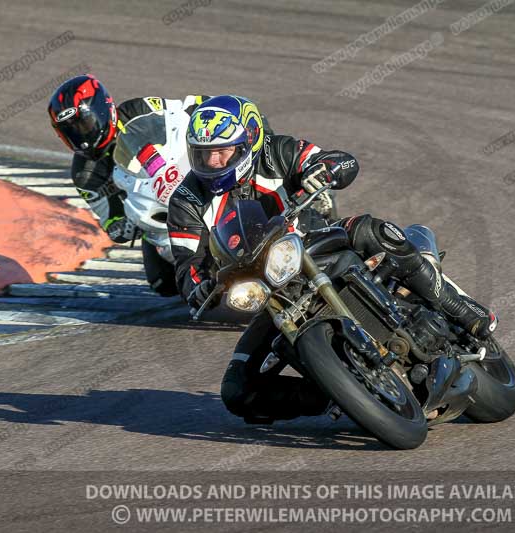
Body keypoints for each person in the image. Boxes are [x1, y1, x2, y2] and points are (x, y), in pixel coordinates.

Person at [166, 94, 497, 423]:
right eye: (204, 154)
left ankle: (458, 307)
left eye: (222, 152)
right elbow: (186, 267)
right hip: (269, 289)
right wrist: (199, 287)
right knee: (238, 392)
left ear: (249, 140)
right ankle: (340, 394)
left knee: (368, 230)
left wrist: (324, 171)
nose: (213, 163)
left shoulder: (276, 152)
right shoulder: (186, 199)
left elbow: (343, 161)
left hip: (313, 244)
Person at [47, 74, 209, 295]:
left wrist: (215, 110)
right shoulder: (84, 173)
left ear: (103, 110)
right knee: (162, 284)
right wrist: (124, 224)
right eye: (70, 131)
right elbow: (110, 221)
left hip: (189, 176)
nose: (80, 135)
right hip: (155, 213)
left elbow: (183, 111)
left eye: (84, 123)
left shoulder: (138, 110)